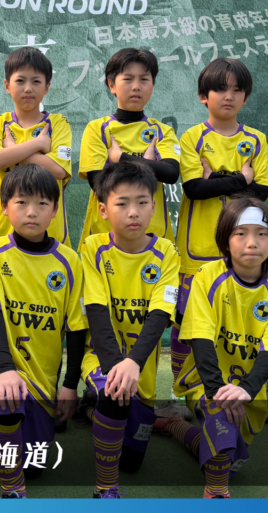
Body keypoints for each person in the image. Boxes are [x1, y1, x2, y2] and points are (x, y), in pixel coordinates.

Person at [0, 164, 87, 497]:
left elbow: (76, 327)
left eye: (42, 203)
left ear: (55, 210)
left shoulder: (70, 261)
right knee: (7, 405)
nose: (32, 212)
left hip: (44, 375)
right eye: (21, 202)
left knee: (34, 465)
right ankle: (13, 491)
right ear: (4, 207)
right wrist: (5, 370)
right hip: (0, 364)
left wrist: (70, 384)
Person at [155, 196, 268, 498]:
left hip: (248, 389)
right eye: (240, 233)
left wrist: (246, 389)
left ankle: (172, 426)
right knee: (221, 430)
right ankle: (217, 494)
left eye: (261, 233)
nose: (251, 242)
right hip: (205, 381)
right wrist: (218, 392)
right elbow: (201, 338)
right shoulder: (207, 276)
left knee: (225, 456)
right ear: (225, 239)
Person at [172, 58, 268, 423]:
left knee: (246, 325)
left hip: (243, 255)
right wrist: (240, 179)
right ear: (204, 96)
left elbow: (263, 190)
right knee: (187, 324)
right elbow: (194, 189)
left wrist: (217, 179)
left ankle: (255, 390)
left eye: (237, 90)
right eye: (220, 89)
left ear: (246, 97)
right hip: (197, 253)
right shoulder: (191, 138)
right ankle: (185, 389)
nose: (228, 96)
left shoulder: (256, 140)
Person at [79, 161, 182, 498]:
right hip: (101, 359)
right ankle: (105, 489)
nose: (133, 212)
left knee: (133, 461)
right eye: (122, 203)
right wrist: (116, 368)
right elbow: (96, 313)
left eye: (142, 202)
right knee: (114, 392)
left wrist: (133, 363)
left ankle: (91, 408)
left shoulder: (167, 252)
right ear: (103, 210)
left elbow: (159, 316)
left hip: (140, 371)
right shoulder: (93, 248)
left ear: (154, 207)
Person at [77, 48, 181, 252]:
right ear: (111, 85)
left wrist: (120, 158)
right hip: (105, 237)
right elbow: (98, 184)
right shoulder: (97, 129)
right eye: (128, 79)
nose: (136, 86)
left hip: (154, 235)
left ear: (152, 85)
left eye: (144, 79)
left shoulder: (162, 131)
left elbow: (170, 173)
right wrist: (148, 165)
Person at [0, 47, 73, 245]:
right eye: (20, 81)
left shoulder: (58, 124)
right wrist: (38, 144)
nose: (28, 88)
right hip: (2, 234)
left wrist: (11, 150)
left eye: (36, 81)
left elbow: (58, 170)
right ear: (7, 85)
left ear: (47, 87)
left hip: (51, 235)